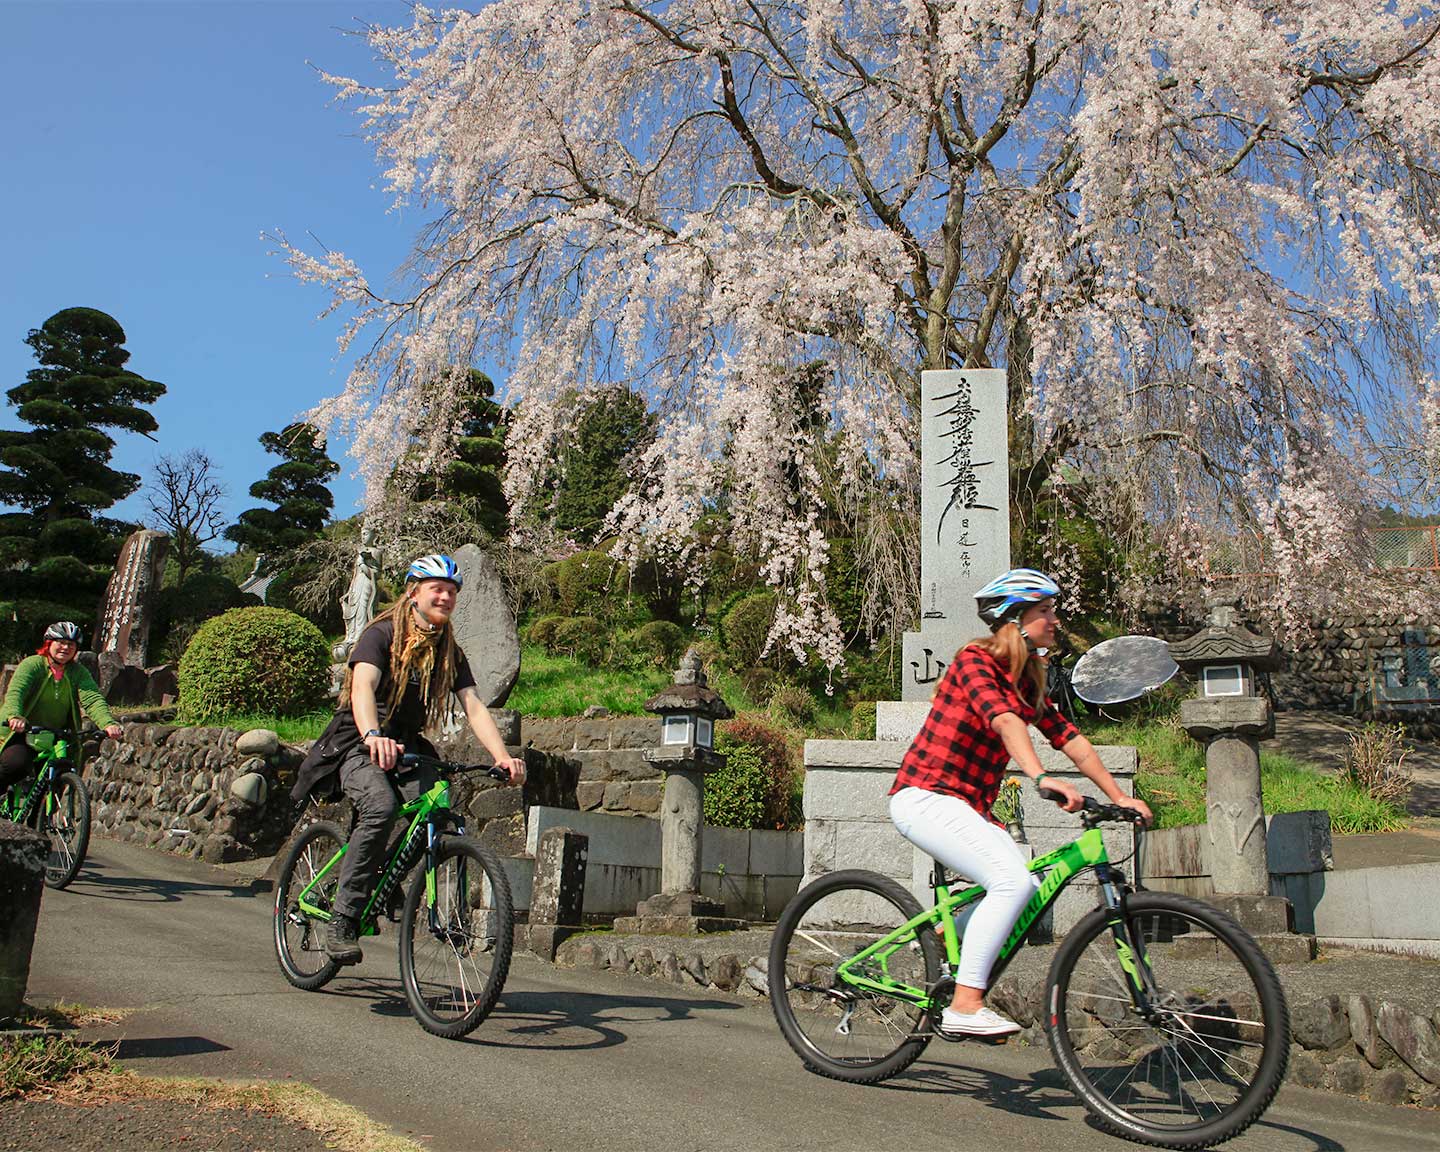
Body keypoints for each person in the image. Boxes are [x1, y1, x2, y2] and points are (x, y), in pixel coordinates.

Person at [889, 568, 1152, 1038]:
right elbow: (1005, 721)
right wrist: (1040, 776)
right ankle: (966, 1004)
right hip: (925, 796)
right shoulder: (975, 660)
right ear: (1015, 619)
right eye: (1045, 611)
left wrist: (1118, 795)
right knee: (1011, 880)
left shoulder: (1030, 682)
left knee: (1024, 886)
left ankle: (946, 947)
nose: (1055, 620)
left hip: (966, 807)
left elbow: (1069, 738)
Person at [291, 553, 527, 966]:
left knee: (435, 805)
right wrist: (372, 735)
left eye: (452, 591)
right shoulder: (381, 634)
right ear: (413, 593)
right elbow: (362, 687)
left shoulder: (448, 651)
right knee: (380, 807)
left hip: (406, 744)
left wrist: (503, 756)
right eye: (437, 588)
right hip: (356, 741)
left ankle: (384, 877)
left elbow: (473, 705)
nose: (446, 596)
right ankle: (343, 918)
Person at [0, 621, 124, 797]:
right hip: (22, 731)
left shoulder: (77, 672)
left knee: (59, 774)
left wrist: (108, 723)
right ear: (49, 643)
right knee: (15, 765)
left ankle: (39, 821)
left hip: (56, 736)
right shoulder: (33, 665)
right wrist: (14, 716)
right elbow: (16, 692)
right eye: (61, 642)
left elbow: (92, 699)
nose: (65, 647)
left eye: (71, 644)